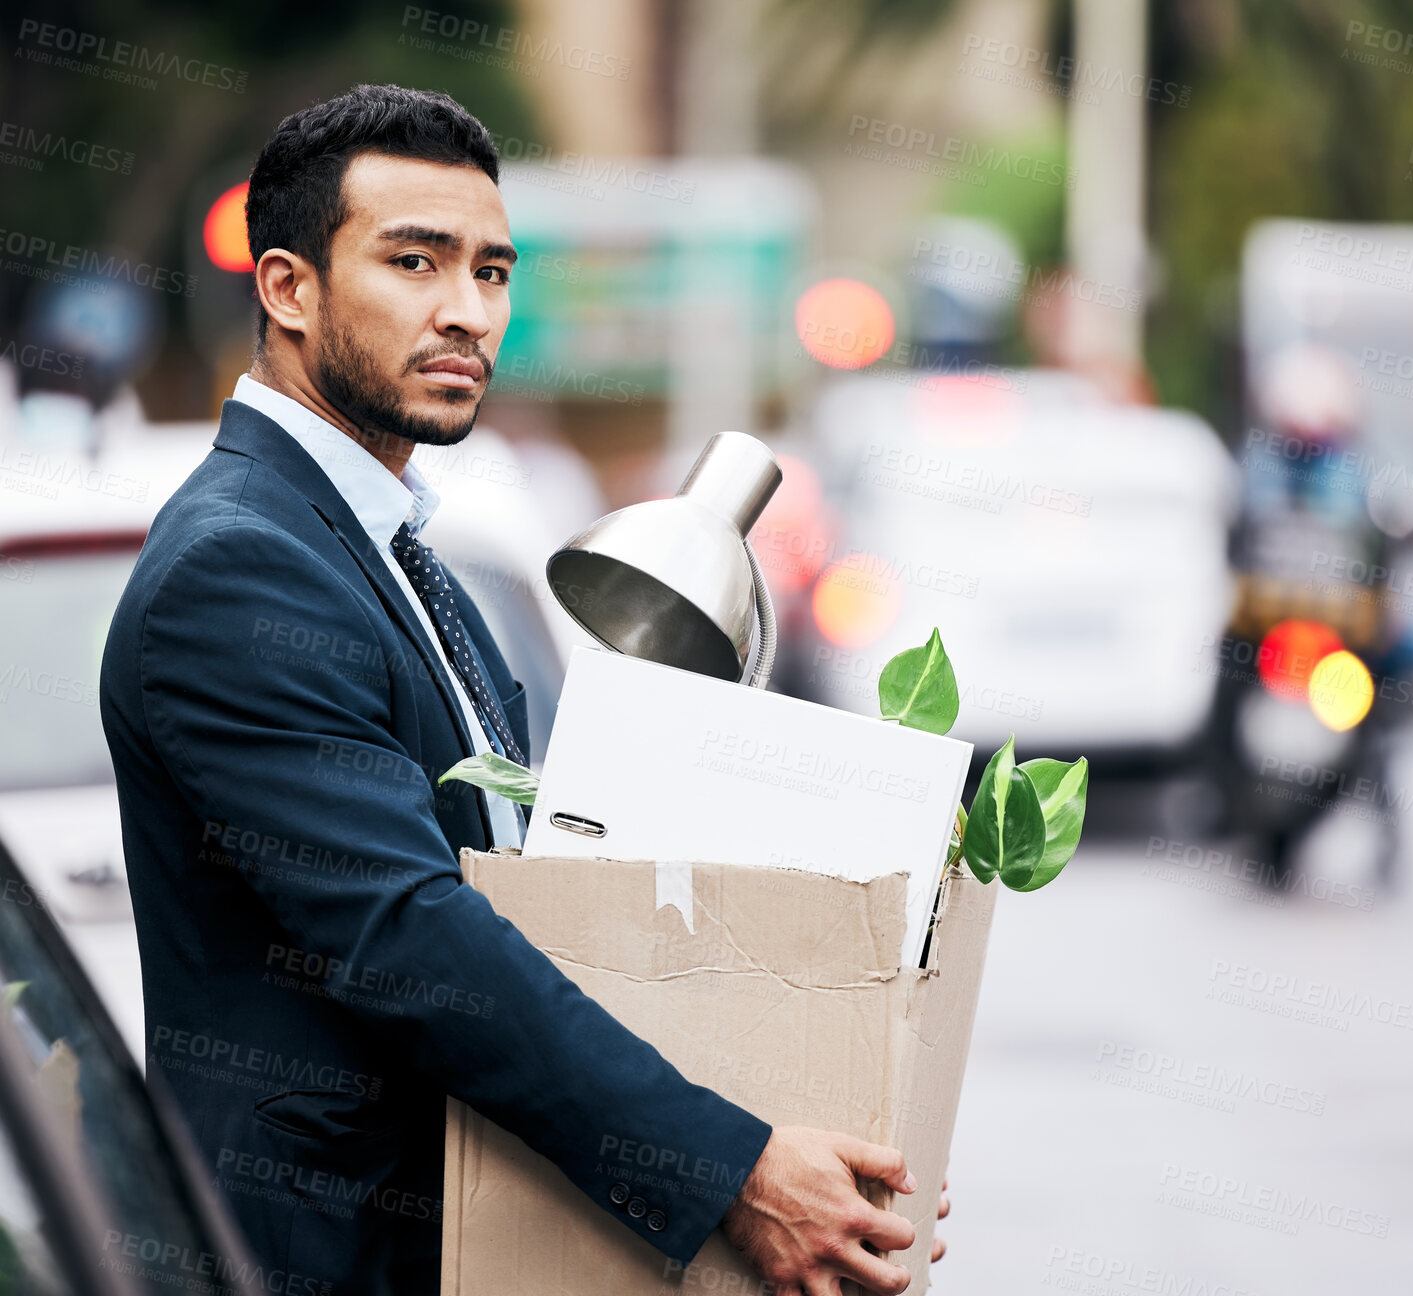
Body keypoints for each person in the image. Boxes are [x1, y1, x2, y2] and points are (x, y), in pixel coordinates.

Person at [100, 84, 926, 1295]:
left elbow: (531, 893)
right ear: (287, 289)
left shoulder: (400, 554)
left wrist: (806, 1113)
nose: (466, 312)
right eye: (414, 262)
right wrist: (738, 1170)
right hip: (326, 1259)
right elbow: (411, 937)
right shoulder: (241, 565)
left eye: (492, 272)